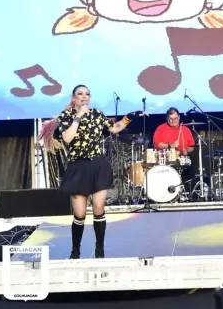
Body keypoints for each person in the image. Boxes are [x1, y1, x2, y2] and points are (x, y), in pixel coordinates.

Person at [39, 85, 145, 259]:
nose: (84, 97)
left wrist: (129, 117)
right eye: (80, 94)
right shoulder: (66, 116)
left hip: (97, 165)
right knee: (80, 213)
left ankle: (99, 248)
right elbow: (67, 138)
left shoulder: (97, 114)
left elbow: (114, 128)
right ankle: (75, 250)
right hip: (78, 167)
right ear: (73, 98)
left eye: (87, 94)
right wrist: (78, 117)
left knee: (98, 207)